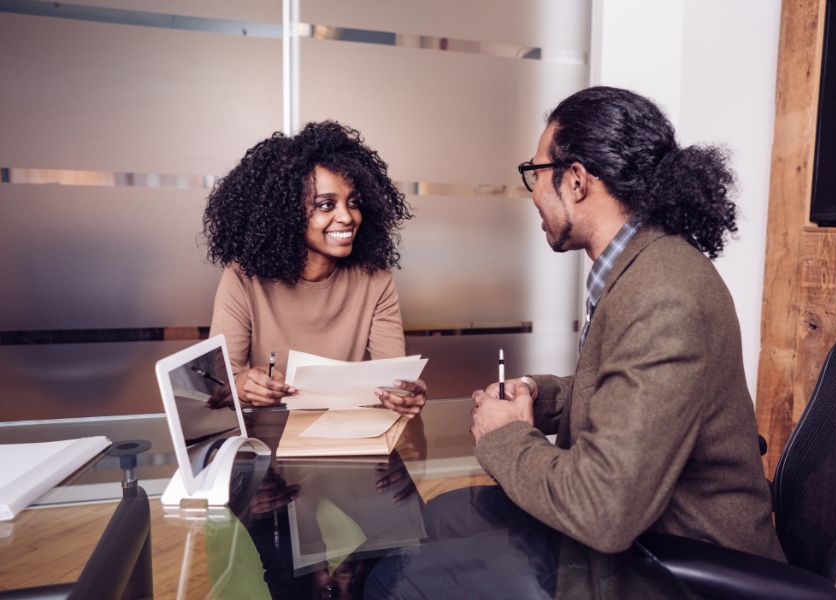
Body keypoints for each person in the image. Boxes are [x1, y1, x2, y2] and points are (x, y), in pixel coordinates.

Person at [366, 87, 784, 598]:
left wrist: (504, 435)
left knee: (399, 580)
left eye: (536, 175)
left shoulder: (664, 295)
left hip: (670, 566)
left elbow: (603, 511)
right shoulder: (640, 266)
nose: (533, 193)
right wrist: (539, 398)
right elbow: (628, 393)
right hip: (638, 534)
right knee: (438, 516)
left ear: (579, 180)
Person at [203, 121, 426, 417]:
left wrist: (405, 394)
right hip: (266, 440)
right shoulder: (243, 278)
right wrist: (242, 385)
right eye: (325, 205)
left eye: (353, 202)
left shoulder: (376, 277)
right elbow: (217, 388)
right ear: (286, 213)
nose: (347, 217)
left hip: (346, 437)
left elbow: (393, 377)